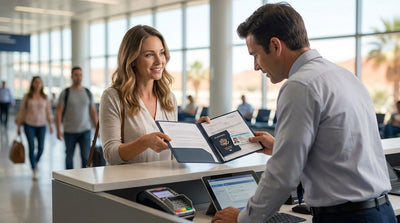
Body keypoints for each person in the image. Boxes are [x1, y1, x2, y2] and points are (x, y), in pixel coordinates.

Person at [211, 3, 396, 223]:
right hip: (380, 211)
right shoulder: (344, 76)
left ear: (275, 45)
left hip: (345, 218)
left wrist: (243, 219)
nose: (256, 67)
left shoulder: (300, 86)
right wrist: (282, 146)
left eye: (256, 55)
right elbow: (342, 148)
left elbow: (283, 175)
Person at [99, 25, 177, 165]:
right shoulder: (113, 97)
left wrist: (196, 134)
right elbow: (110, 154)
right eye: (149, 55)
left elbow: (173, 153)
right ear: (133, 60)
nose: (159, 61)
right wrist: (144, 142)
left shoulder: (169, 98)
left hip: (166, 184)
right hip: (131, 185)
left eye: (161, 53)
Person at [55, 67, 98, 169]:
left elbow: (93, 112)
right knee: (69, 157)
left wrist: (97, 128)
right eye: (76, 75)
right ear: (71, 76)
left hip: (85, 130)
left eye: (80, 75)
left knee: (86, 158)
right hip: (69, 131)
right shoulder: (65, 93)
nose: (78, 77)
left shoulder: (87, 92)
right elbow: (58, 112)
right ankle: (69, 180)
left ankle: (84, 181)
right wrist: (58, 130)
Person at [15, 76, 53, 180]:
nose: (37, 84)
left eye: (39, 82)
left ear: (42, 84)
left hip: (41, 125)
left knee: (41, 148)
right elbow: (21, 111)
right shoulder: (27, 96)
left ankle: (35, 161)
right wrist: (18, 126)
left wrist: (51, 124)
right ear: (32, 84)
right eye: (36, 82)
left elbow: (49, 111)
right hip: (29, 125)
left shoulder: (45, 97)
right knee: (31, 147)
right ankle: (33, 169)